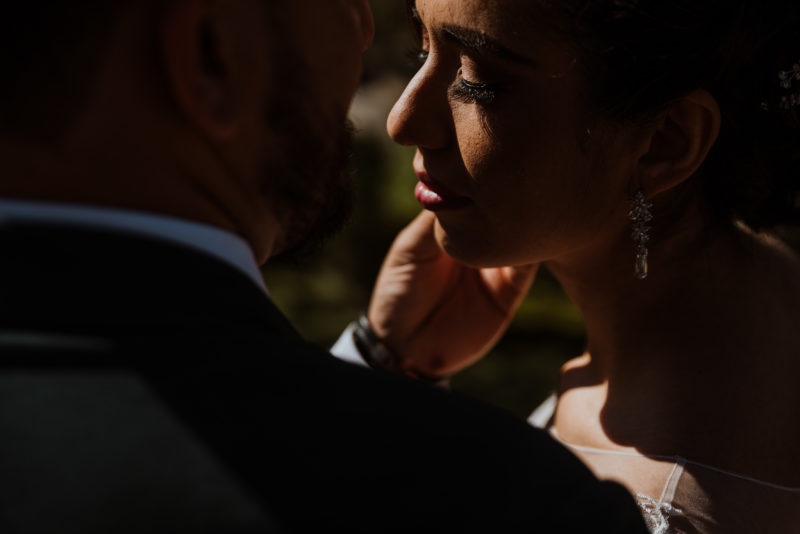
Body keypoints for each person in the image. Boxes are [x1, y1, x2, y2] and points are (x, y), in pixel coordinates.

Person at [0, 2, 650, 533]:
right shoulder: (497, 506)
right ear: (214, 53)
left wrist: (376, 362)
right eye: (343, 2)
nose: (365, 30)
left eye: (475, 75)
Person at [348, 0, 800, 532]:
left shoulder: (653, 505)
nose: (403, 121)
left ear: (665, 141)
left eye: (477, 81)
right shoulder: (769, 295)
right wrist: (392, 360)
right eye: (421, 48)